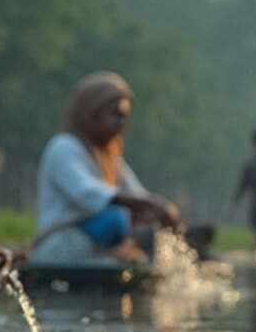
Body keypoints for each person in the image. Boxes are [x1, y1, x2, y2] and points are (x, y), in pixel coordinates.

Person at [30, 72, 183, 264]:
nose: (122, 124)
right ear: (91, 114)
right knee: (117, 218)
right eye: (116, 115)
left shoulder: (108, 156)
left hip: (94, 242)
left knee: (145, 227)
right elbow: (87, 193)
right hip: (61, 243)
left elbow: (135, 192)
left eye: (125, 117)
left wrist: (159, 211)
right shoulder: (63, 147)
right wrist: (145, 205)